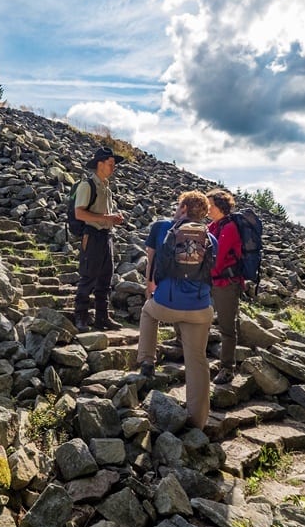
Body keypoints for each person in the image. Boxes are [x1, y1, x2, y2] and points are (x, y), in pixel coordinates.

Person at [136, 191, 216, 429]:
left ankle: (147, 360)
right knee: (197, 361)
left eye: (178, 205)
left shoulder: (161, 227)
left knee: (148, 312)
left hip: (166, 304)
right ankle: (198, 422)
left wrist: (149, 286)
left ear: (183, 208)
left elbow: (151, 261)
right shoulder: (211, 238)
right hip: (200, 309)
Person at [73, 146, 126, 332]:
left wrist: (113, 219)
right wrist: (107, 218)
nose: (114, 168)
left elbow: (102, 214)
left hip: (106, 236)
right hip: (93, 236)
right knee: (88, 277)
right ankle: (80, 317)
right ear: (99, 164)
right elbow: (79, 213)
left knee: (105, 278)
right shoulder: (87, 185)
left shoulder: (106, 188)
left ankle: (102, 318)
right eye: (111, 164)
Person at [207, 189, 243, 384]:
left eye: (210, 205)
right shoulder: (213, 226)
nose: (207, 209)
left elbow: (217, 260)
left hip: (226, 283)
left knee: (227, 327)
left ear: (221, 206)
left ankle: (227, 369)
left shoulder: (229, 228)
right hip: (213, 281)